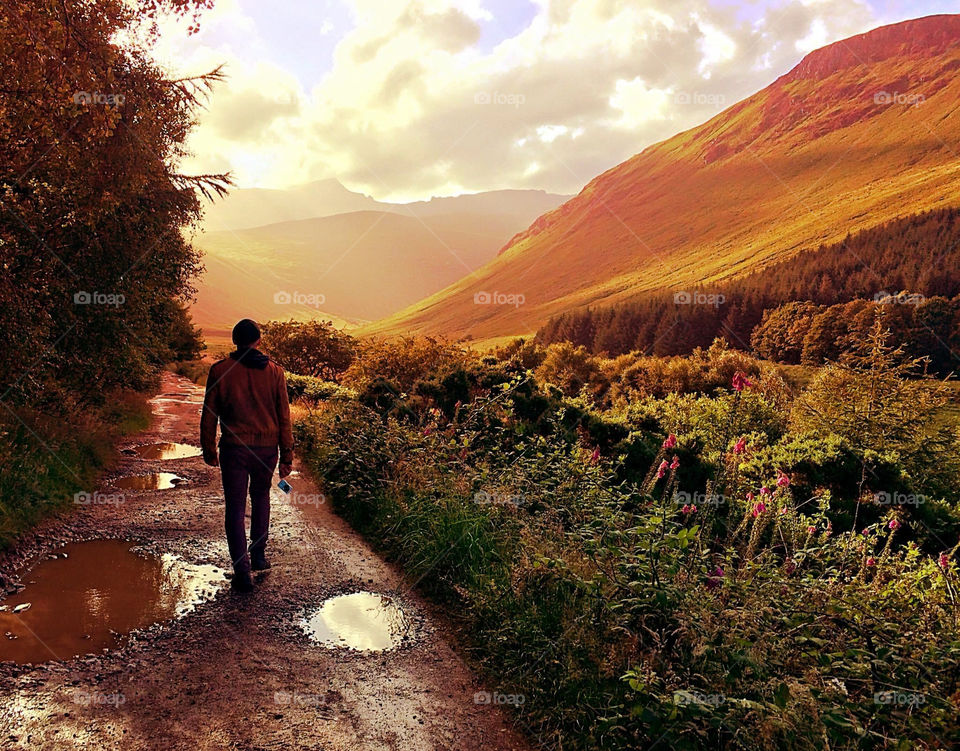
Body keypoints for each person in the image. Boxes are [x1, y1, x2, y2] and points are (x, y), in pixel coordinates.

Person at [200, 319, 294, 593]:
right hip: (267, 449)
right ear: (259, 341)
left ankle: (242, 571)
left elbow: (210, 414)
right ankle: (259, 556)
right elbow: (284, 416)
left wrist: (209, 448)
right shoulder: (276, 373)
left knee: (235, 507)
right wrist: (287, 454)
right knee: (262, 496)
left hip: (234, 450)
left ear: (234, 341)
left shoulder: (219, 370)